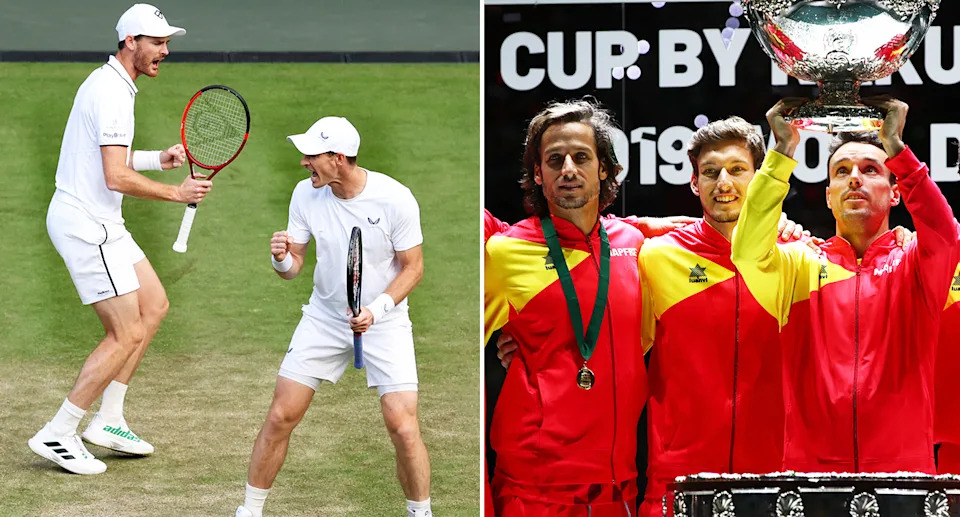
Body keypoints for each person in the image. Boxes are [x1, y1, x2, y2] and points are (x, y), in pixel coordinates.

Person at [731, 97, 959, 473]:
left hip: (904, 477)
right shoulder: (800, 265)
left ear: (896, 191)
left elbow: (945, 236)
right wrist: (782, 151)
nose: (854, 177)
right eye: (841, 171)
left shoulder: (916, 265)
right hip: (810, 478)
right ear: (828, 196)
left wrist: (898, 150)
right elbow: (746, 252)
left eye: (870, 169)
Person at [29, 4, 209, 475]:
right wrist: (177, 193)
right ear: (130, 41)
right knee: (125, 331)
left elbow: (109, 155)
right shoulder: (111, 93)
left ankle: (108, 420)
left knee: (153, 306)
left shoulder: (112, 84)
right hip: (87, 224)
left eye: (167, 43)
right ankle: (60, 431)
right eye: (156, 42)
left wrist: (157, 160)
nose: (164, 51)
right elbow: (113, 176)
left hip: (101, 218)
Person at [236, 116, 431, 517]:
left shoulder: (395, 198)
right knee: (280, 416)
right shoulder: (305, 195)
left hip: (386, 323)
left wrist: (376, 311)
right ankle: (250, 511)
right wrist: (280, 258)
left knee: (403, 426)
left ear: (338, 158)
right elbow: (294, 268)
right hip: (324, 319)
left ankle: (420, 513)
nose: (304, 163)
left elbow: (413, 267)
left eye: (312, 155)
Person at [484, 98, 647, 516]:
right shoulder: (505, 252)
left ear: (604, 168)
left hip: (619, 487)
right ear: (538, 174)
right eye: (554, 160)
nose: (568, 169)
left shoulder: (636, 247)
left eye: (581, 157)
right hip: (534, 489)